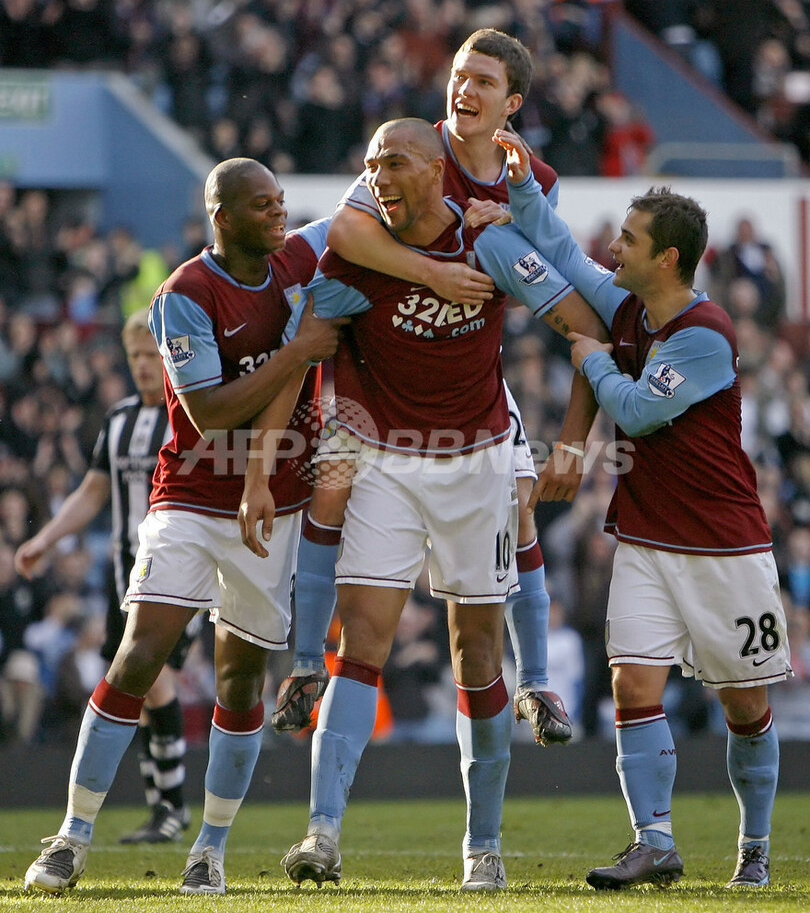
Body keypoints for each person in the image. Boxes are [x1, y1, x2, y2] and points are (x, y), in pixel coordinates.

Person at [240, 117, 608, 891]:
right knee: (363, 642)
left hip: (475, 469)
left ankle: (483, 846)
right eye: (370, 163)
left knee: (476, 653)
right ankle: (322, 834)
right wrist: (260, 466)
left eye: (396, 161)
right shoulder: (353, 255)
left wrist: (573, 439)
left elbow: (585, 327)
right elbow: (302, 350)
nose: (378, 176)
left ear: (439, 171)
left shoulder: (494, 248)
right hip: (385, 469)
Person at [23, 157, 348, 896]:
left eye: (281, 202)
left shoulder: (298, 255)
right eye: (262, 205)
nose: (280, 213)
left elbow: (368, 207)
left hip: (278, 504)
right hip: (192, 500)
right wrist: (297, 351)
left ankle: (209, 848)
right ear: (222, 217)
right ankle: (71, 837)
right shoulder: (184, 295)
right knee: (140, 652)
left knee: (238, 680)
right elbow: (210, 413)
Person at [273, 28, 593, 748]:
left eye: (482, 81)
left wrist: (504, 237)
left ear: (511, 103)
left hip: (467, 380)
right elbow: (349, 236)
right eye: (458, 75)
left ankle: (537, 681)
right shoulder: (412, 150)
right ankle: (302, 666)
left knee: (521, 496)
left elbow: (550, 275)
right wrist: (439, 270)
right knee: (330, 487)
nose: (464, 90)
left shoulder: (531, 179)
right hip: (378, 365)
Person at [501, 129, 791, 889]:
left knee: (745, 703)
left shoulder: (704, 335)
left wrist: (591, 355)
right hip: (645, 539)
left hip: (725, 546)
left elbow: (633, 412)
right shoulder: (624, 306)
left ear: (667, 257)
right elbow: (562, 253)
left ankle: (754, 848)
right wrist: (523, 184)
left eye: (628, 238)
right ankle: (654, 840)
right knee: (633, 687)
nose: (613, 247)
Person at [15, 310, 198, 844]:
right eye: (137, 356)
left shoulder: (189, 413)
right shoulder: (117, 420)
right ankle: (164, 806)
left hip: (178, 573)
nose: (144, 365)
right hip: (125, 579)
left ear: (169, 359)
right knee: (134, 693)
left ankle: (171, 808)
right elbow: (94, 490)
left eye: (153, 356)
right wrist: (45, 539)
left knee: (151, 679)